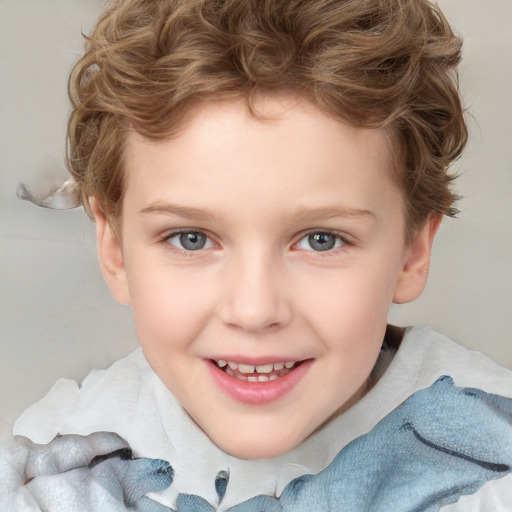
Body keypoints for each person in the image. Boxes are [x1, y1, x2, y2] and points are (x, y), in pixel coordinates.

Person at [2, 0, 512, 510]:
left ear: (412, 253)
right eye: (191, 239)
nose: (254, 310)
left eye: (321, 240)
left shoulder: (493, 471)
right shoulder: (49, 468)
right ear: (114, 250)